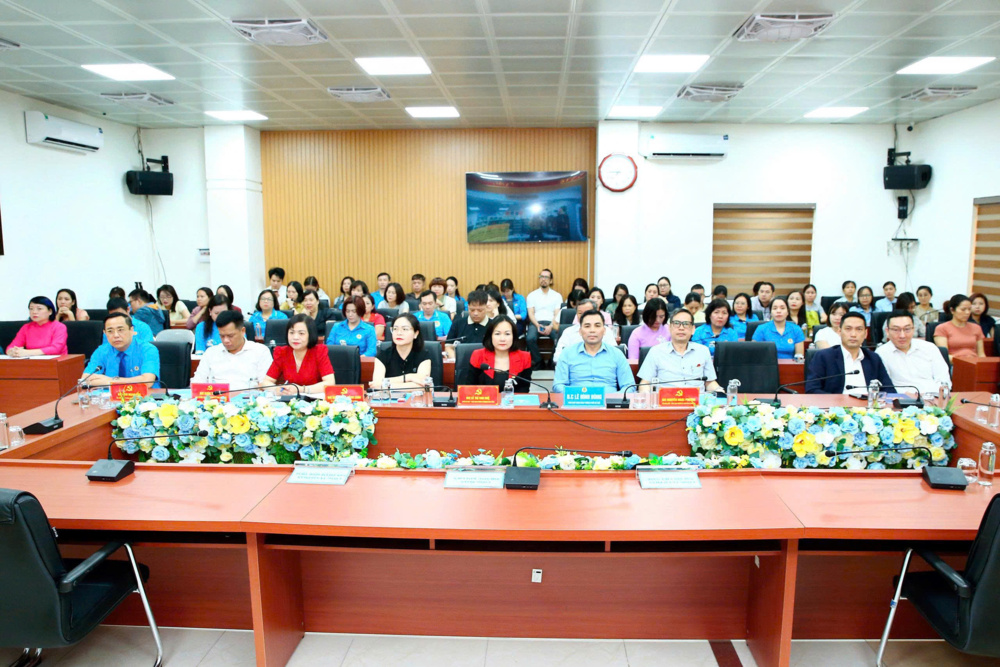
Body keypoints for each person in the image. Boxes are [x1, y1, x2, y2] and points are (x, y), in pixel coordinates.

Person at [805, 312, 894, 394]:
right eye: (848, 329)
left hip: (868, 405)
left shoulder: (873, 358)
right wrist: (838, 402)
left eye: (859, 329)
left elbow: (889, 390)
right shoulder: (824, 357)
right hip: (836, 405)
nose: (853, 334)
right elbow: (812, 389)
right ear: (840, 332)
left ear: (865, 334)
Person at [638, 308, 722, 393]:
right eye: (676, 323)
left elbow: (709, 382)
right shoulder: (656, 351)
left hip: (697, 400)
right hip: (666, 400)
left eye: (686, 324)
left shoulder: (703, 351)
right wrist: (646, 396)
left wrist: (720, 391)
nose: (681, 328)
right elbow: (645, 383)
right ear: (670, 327)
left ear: (693, 329)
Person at [552, 310, 633, 394]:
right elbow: (558, 385)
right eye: (587, 326)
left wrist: (612, 397)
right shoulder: (567, 353)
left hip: (608, 400)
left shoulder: (617, 354)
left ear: (604, 330)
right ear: (580, 331)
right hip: (576, 399)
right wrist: (576, 395)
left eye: (597, 326)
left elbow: (629, 386)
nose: (592, 330)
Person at [876, 310, 951, 396]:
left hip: (933, 397)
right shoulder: (881, 353)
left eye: (907, 329)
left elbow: (944, 380)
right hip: (901, 399)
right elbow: (885, 387)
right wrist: (907, 396)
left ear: (913, 329)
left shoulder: (929, 348)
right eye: (896, 330)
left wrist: (932, 395)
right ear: (887, 331)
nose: (902, 335)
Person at [192, 310, 273, 388]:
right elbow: (197, 382)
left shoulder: (260, 351)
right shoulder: (211, 353)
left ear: (242, 331)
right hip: (217, 396)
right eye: (222, 336)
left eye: (230, 336)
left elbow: (265, 385)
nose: (226, 340)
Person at [261, 315, 335, 395]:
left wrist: (301, 389)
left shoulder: (319, 352)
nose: (295, 337)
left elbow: (330, 383)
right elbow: (266, 382)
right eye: (291, 333)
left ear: (310, 335)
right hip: (289, 400)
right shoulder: (282, 353)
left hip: (314, 399)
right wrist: (276, 390)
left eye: (301, 333)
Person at [83, 312, 160, 388]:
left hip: (146, 395)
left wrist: (111, 381)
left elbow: (147, 382)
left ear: (131, 330)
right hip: (111, 395)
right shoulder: (101, 351)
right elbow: (85, 379)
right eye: (110, 331)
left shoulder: (147, 349)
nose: (116, 335)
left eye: (120, 330)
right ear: (105, 333)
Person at [469, 316, 533, 392]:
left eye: (507, 334)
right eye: (497, 334)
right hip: (483, 399)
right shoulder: (478, 356)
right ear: (490, 336)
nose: (502, 339)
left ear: (513, 336)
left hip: (513, 399)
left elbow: (524, 390)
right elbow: (469, 389)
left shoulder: (524, 357)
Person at [371, 313, 434, 388]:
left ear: (415, 334)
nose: (399, 333)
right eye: (395, 329)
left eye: (405, 329)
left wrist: (386, 385)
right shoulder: (382, 355)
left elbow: (423, 385)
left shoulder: (424, 355)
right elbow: (376, 384)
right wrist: (409, 377)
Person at [526, 268, 563, 367]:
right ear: (539, 279)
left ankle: (551, 361)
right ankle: (539, 361)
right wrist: (538, 325)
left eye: (546, 277)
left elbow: (557, 314)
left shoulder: (557, 296)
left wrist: (550, 326)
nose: (543, 279)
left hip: (552, 323)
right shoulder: (532, 295)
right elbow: (531, 313)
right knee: (530, 338)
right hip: (536, 323)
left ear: (550, 280)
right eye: (541, 277)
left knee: (560, 338)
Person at [934, 294, 986, 360]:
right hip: (954, 363)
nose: (967, 312)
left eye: (969, 309)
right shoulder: (942, 328)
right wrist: (965, 361)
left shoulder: (976, 328)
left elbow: (981, 354)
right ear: (952, 310)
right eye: (963, 309)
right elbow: (944, 356)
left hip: (974, 362)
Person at [445, 289, 490, 358]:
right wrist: (456, 361)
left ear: (486, 307)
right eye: (472, 310)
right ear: (468, 306)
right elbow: (448, 347)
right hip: (462, 361)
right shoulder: (458, 323)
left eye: (480, 310)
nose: (475, 313)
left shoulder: (494, 325)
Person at [628, 297, 670, 361]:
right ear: (647, 315)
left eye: (661, 317)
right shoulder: (637, 334)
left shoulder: (669, 330)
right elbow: (633, 361)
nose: (658, 320)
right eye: (654, 317)